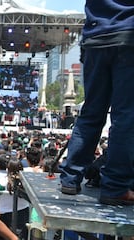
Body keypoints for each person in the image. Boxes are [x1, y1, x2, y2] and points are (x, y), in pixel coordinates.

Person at [59, 0, 134, 205]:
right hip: (129, 35)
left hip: (96, 37)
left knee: (91, 112)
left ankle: (70, 178)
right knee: (125, 117)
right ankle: (115, 186)